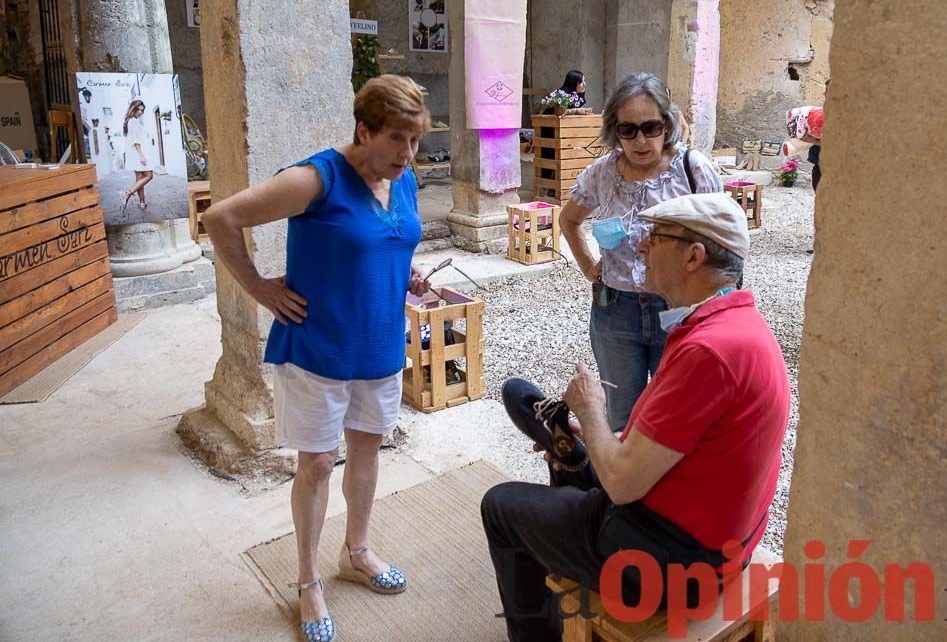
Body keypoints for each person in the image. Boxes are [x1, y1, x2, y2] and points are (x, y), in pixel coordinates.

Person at [483, 192, 790, 642]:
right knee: (574, 462)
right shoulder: (734, 326)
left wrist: (590, 411)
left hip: (669, 558)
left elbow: (624, 485)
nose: (641, 246)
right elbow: (683, 436)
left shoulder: (708, 352)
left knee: (501, 506)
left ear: (693, 255)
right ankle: (569, 461)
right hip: (713, 537)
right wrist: (597, 431)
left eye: (654, 237)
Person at [202, 75, 431, 642]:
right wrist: (259, 289)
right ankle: (307, 581)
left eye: (416, 141)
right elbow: (219, 218)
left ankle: (358, 551)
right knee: (318, 463)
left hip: (377, 346)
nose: (408, 154)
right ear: (364, 130)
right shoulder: (315, 178)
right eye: (398, 139)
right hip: (318, 349)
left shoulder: (402, 178)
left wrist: (403, 274)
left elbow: (388, 241)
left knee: (368, 452)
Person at [559, 72, 722, 430]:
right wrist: (589, 265)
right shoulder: (601, 175)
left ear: (666, 124)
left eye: (650, 127)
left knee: (676, 414)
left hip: (678, 309)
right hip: (615, 311)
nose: (640, 140)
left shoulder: (692, 171)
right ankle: (622, 484)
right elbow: (568, 220)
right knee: (622, 415)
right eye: (627, 129)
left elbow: (723, 241)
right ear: (614, 130)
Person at [121, 100, 153, 210]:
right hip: (138, 153)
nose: (140, 112)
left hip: (135, 154)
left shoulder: (131, 121)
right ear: (133, 108)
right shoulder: (133, 121)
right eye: (138, 109)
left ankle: (142, 202)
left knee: (139, 179)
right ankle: (128, 193)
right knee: (149, 175)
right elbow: (135, 141)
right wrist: (141, 156)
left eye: (142, 110)